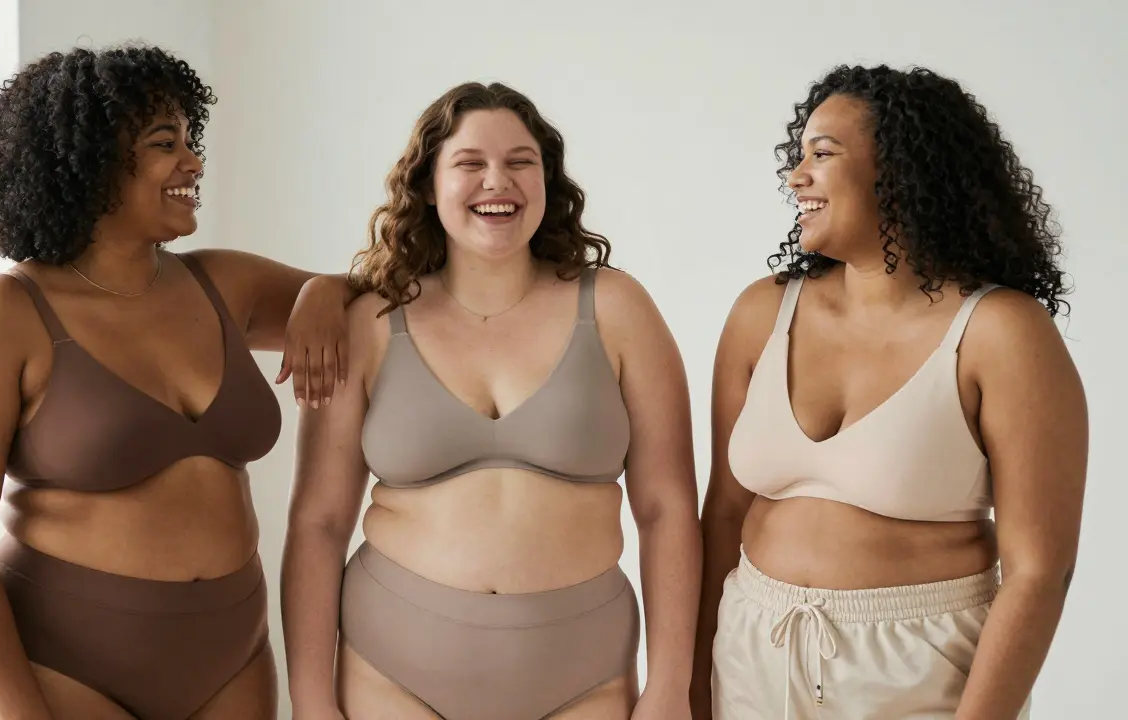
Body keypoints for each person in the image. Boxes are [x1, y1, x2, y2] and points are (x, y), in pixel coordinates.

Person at [0, 44, 355, 720]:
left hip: (230, 659)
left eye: (189, 139)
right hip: (63, 667)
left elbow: (388, 299)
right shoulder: (3, 315)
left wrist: (326, 288)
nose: (193, 162)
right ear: (90, 161)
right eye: (163, 143)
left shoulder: (223, 284)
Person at [281, 81, 701, 720]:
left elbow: (667, 507)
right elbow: (319, 522)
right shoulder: (368, 325)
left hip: (583, 675)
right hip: (392, 672)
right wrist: (311, 701)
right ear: (427, 184)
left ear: (547, 181)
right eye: (470, 164)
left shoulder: (618, 309)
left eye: (520, 162)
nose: (496, 181)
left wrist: (671, 686)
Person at [690, 64, 1088, 720]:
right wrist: (694, 687)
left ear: (900, 174)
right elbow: (723, 515)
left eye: (823, 154)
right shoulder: (762, 313)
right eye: (799, 155)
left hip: (918, 671)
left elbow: (1041, 573)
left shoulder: (1000, 333)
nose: (797, 176)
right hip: (752, 651)